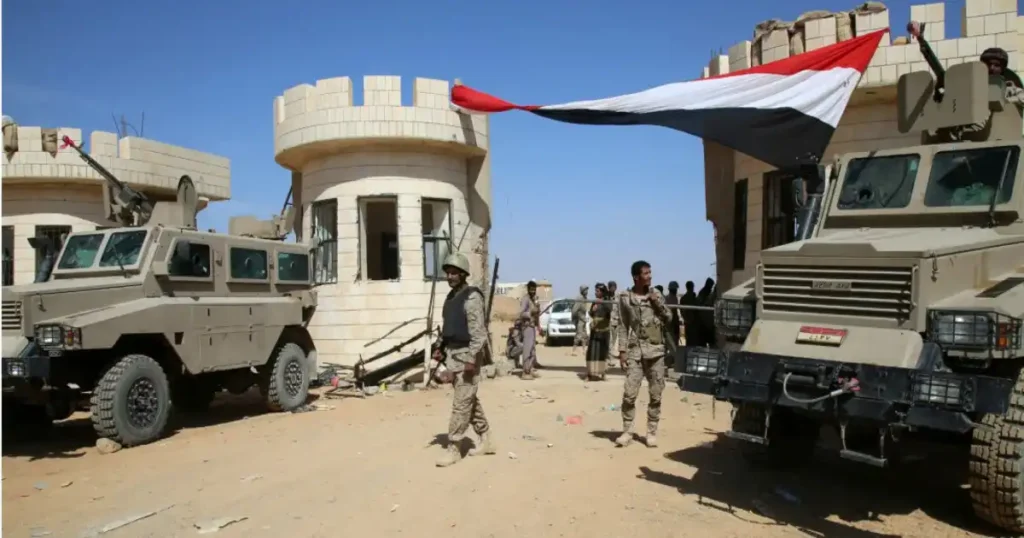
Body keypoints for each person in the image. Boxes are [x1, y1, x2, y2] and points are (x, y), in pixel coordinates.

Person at [434, 252, 495, 467]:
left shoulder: (472, 297)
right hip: (453, 356)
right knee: (468, 400)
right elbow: (448, 328)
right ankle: (486, 438)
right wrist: (440, 348)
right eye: (447, 273)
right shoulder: (451, 298)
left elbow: (479, 335)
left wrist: (471, 361)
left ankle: (454, 447)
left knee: (461, 404)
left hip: (468, 357)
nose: (449, 277)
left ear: (463, 274)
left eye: (454, 273)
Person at [614, 260, 673, 448]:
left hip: (656, 352)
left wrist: (657, 303)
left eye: (650, 272)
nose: (650, 276)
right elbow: (622, 326)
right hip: (635, 352)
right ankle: (627, 431)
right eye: (646, 273)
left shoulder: (656, 295)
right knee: (629, 394)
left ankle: (651, 431)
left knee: (656, 394)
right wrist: (622, 351)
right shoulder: (625, 298)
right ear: (636, 277)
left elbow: (669, 318)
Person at [585, 283, 612, 381]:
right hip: (595, 331)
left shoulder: (607, 301)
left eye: (597, 291)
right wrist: (593, 309)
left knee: (602, 353)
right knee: (592, 353)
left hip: (604, 331)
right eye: (595, 291)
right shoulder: (594, 302)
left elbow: (610, 310)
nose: (595, 293)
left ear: (602, 292)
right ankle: (589, 374)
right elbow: (591, 314)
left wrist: (602, 303)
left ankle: (603, 373)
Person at [518, 280, 542, 380]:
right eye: (531, 290)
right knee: (527, 349)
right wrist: (530, 312)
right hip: (527, 327)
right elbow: (521, 314)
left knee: (532, 349)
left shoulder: (534, 300)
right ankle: (525, 371)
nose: (533, 291)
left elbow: (537, 315)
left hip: (532, 327)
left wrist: (538, 326)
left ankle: (530, 369)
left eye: (534, 290)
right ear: (528, 289)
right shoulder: (525, 299)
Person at [664, 281, 682, 359]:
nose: (676, 290)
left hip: (674, 322)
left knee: (674, 340)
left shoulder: (674, 297)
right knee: (670, 340)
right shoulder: (668, 298)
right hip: (670, 322)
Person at [571, 285, 589, 356]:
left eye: (587, 290)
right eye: (585, 290)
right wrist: (576, 318)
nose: (586, 292)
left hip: (583, 319)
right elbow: (574, 310)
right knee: (578, 335)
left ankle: (584, 350)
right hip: (579, 319)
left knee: (584, 335)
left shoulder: (585, 298)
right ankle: (574, 350)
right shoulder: (579, 298)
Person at [680, 281, 699, 347]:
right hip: (693, 323)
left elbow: (681, 311)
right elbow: (697, 310)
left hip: (686, 322)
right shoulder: (693, 298)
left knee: (685, 343)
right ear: (692, 287)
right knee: (693, 343)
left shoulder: (683, 298)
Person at [607, 280, 620, 369]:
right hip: (608, 321)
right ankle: (611, 359)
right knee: (610, 341)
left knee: (614, 340)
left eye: (614, 287)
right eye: (611, 287)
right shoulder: (606, 298)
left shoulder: (618, 297)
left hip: (616, 321)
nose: (613, 288)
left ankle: (609, 355)